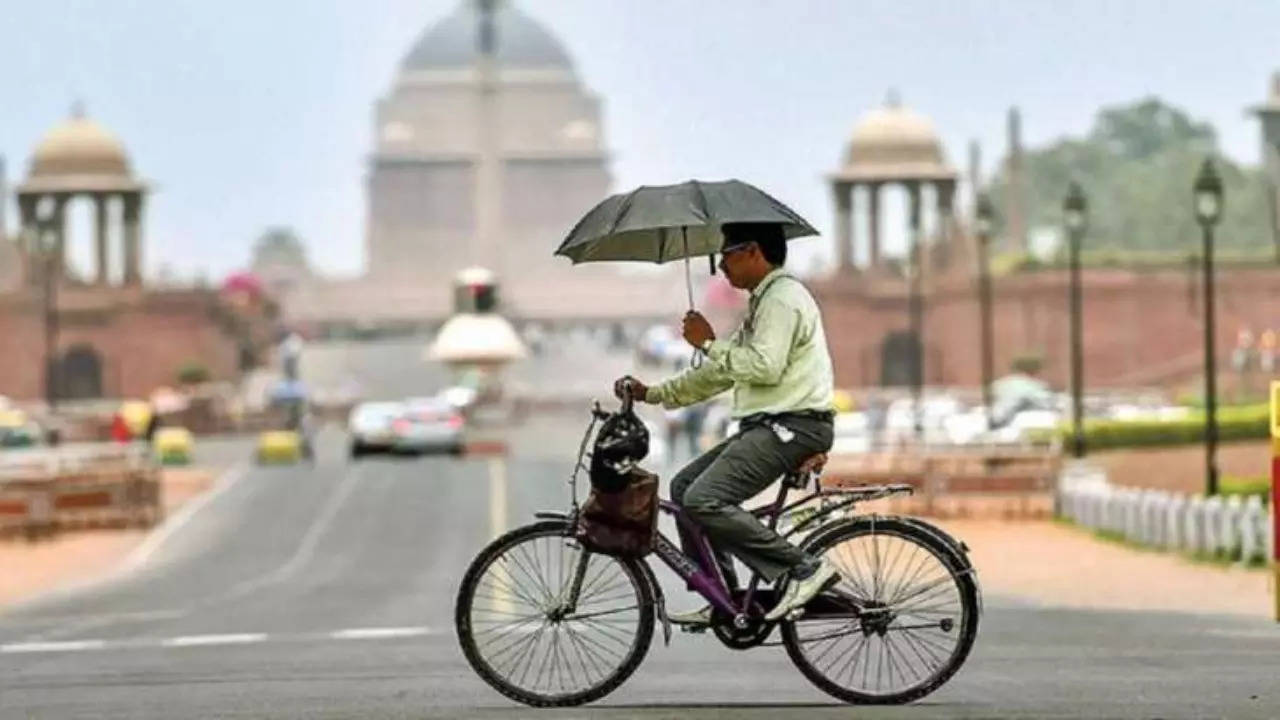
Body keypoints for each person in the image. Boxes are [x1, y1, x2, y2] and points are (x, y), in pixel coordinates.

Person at [614, 221, 838, 626]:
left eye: (725, 255)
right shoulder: (763, 303)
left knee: (704, 499)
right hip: (772, 426)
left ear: (753, 251)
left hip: (793, 426)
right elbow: (721, 373)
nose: (720, 267)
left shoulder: (783, 299)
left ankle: (804, 568)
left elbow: (764, 367)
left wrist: (707, 343)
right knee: (683, 489)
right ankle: (723, 594)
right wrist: (654, 393)